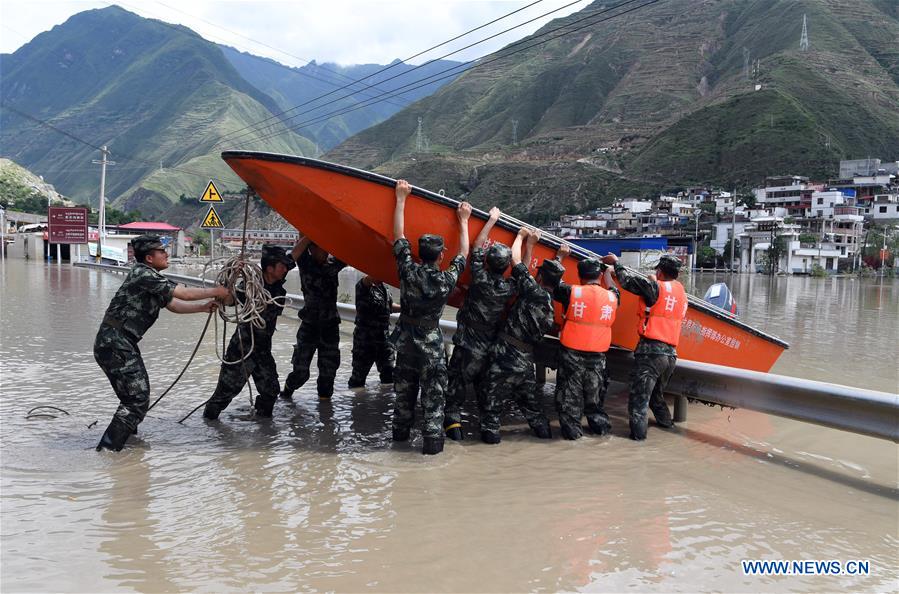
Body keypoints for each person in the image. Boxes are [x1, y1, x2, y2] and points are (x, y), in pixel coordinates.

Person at [94, 234, 228, 451]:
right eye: (161, 251)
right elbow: (183, 293)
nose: (167, 254)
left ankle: (126, 445)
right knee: (137, 399)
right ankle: (109, 452)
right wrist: (217, 291)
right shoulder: (143, 274)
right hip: (115, 342)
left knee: (133, 398)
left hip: (117, 343)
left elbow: (173, 304)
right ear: (149, 257)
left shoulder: (150, 279)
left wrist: (202, 307)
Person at [391, 179, 470, 455]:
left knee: (404, 396)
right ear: (440, 257)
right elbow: (464, 254)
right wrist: (463, 220)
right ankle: (432, 450)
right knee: (434, 398)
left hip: (406, 344)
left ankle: (398, 441)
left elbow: (398, 237)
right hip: (432, 345)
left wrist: (401, 198)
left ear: (419, 253)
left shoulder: (407, 271)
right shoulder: (446, 279)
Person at [479, 228, 563, 444]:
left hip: (504, 354)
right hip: (525, 362)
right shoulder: (551, 310)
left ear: (540, 276)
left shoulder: (533, 292)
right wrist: (560, 258)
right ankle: (544, 438)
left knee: (491, 409)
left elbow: (516, 261)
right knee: (533, 409)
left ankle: (490, 448)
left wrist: (525, 239)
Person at [444, 206, 514, 441]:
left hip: (466, 344)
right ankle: (490, 431)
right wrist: (524, 240)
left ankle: (454, 426)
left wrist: (490, 220)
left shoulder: (479, 278)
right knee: (486, 391)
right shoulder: (508, 288)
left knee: (456, 387)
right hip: (490, 347)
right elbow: (521, 268)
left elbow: (475, 247)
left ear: (487, 263)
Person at [203, 245, 295, 420]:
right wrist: (230, 279)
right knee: (224, 394)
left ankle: (263, 429)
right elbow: (229, 300)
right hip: (242, 349)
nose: (286, 268)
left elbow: (294, 256)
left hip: (263, 350)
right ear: (270, 268)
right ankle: (208, 424)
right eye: (282, 266)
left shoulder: (277, 286)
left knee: (271, 391)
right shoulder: (251, 285)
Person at [602, 252, 687, 440]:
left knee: (638, 402)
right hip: (671, 355)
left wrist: (616, 263)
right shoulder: (681, 292)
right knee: (656, 397)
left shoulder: (655, 288)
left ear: (660, 271)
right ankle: (670, 430)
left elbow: (626, 281)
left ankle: (638, 442)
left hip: (651, 354)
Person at [551, 245, 620, 440]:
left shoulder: (572, 292)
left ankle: (573, 437)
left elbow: (553, 280)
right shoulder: (612, 297)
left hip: (571, 356)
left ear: (580, 276)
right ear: (599, 276)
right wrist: (608, 272)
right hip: (598, 359)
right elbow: (613, 287)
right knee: (595, 401)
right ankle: (601, 432)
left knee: (569, 400)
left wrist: (560, 257)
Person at [280, 234, 346, 401]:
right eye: (322, 247)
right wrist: (311, 233)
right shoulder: (305, 263)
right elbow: (296, 250)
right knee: (301, 372)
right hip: (309, 326)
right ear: (312, 249)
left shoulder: (334, 264)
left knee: (328, 373)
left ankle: (325, 413)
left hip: (330, 327)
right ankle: (286, 394)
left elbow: (350, 252)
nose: (327, 252)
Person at [348, 275, 399, 389]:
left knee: (389, 376)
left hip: (384, 339)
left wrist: (404, 307)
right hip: (365, 340)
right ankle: (357, 403)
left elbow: (389, 306)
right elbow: (369, 279)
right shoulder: (363, 285)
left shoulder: (384, 287)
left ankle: (385, 404)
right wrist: (376, 271)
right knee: (358, 378)